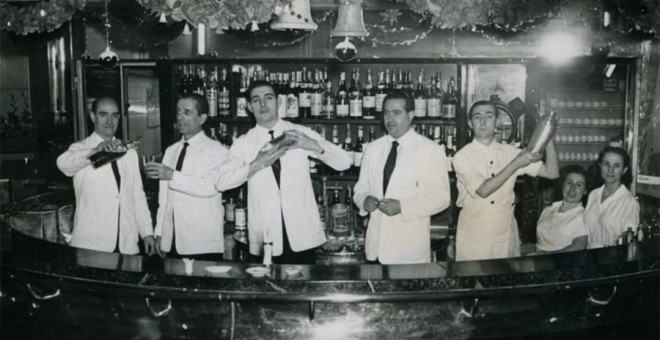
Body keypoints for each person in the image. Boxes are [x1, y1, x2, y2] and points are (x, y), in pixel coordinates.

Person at [216, 80, 351, 264]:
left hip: (302, 236)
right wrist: (257, 164)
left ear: (278, 102)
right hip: (265, 237)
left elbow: (344, 162)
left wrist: (311, 144)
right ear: (249, 106)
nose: (263, 105)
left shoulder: (299, 133)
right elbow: (221, 182)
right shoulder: (243, 143)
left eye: (268, 98)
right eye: (256, 100)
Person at [453, 100, 559, 261]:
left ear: (497, 121)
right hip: (474, 231)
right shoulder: (462, 156)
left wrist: (546, 135)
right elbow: (483, 190)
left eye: (489, 116)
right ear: (470, 123)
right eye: (477, 117)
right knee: (474, 281)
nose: (483, 121)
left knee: (504, 280)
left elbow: (552, 173)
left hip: (505, 229)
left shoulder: (510, 152)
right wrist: (517, 163)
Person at [353, 91, 450, 264]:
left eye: (396, 113)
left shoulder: (430, 150)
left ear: (411, 115)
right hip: (375, 248)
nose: (389, 119)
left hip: (408, 250)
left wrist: (402, 206)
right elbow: (361, 188)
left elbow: (441, 198)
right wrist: (364, 200)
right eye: (386, 113)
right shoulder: (373, 148)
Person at [56, 97, 155, 255]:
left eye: (114, 115)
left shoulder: (129, 153)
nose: (110, 121)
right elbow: (63, 164)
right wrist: (95, 151)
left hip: (127, 243)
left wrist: (147, 232)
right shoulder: (81, 148)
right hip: (92, 244)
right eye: (103, 115)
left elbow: (137, 195)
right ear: (93, 117)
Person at [145, 93, 228, 261]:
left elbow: (210, 187)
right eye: (178, 112)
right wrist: (160, 233)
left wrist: (171, 174)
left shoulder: (217, 150)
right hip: (172, 240)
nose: (180, 117)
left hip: (202, 241)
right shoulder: (171, 150)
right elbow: (164, 199)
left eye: (187, 112)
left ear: (202, 117)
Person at [584, 146, 639, 248]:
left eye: (616, 165)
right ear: (600, 166)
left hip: (613, 258)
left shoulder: (628, 202)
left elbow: (630, 243)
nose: (610, 170)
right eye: (606, 164)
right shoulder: (593, 194)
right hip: (588, 255)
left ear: (624, 170)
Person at [534, 165, 588, 253]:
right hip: (540, 260)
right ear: (562, 185)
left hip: (563, 263)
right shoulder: (548, 210)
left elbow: (579, 246)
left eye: (579, 185)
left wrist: (544, 255)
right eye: (569, 182)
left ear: (585, 191)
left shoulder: (583, 216)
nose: (572, 188)